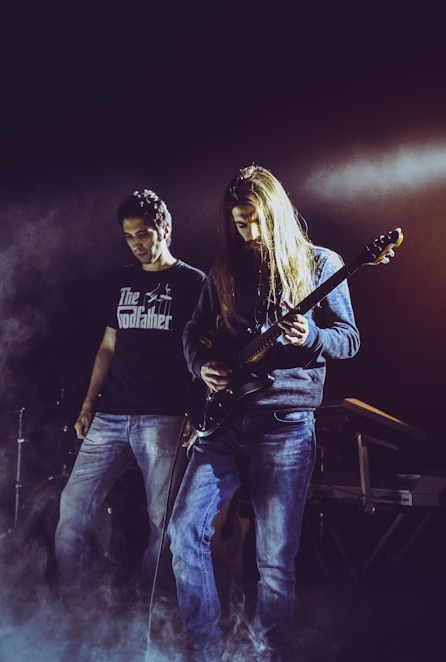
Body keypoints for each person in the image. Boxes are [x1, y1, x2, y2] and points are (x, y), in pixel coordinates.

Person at [169, 165, 364, 661]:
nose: (248, 233)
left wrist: (312, 337)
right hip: (224, 422)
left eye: (255, 221)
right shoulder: (224, 270)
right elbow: (193, 332)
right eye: (239, 223)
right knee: (181, 531)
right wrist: (203, 365)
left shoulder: (320, 264)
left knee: (274, 558)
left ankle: (269, 653)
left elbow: (349, 339)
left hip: (284, 426)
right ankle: (204, 648)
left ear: (275, 214)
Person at [54, 189, 206, 598]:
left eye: (144, 234)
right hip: (111, 415)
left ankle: (147, 600)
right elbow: (108, 346)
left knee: (164, 521)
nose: (138, 243)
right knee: (73, 504)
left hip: (165, 417)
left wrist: (195, 412)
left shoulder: (194, 283)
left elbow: (201, 356)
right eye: (129, 236)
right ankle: (72, 603)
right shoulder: (121, 280)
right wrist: (88, 403)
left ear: (165, 230)